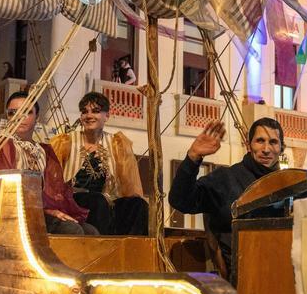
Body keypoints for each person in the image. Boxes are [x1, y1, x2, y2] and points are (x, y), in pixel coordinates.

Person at [168, 117, 286, 279]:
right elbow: (180, 200)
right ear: (248, 144)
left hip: (282, 276)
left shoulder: (288, 185)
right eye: (260, 141)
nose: (266, 149)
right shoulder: (225, 179)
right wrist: (193, 157)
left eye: (273, 142)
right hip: (238, 281)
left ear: (281, 148)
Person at [0, 90, 98, 236]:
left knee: (91, 231)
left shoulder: (44, 151)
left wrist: (53, 209)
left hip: (42, 210)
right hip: (14, 210)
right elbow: (1, 190)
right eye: (12, 113)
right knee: (71, 230)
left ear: (37, 117)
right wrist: (45, 210)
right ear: (7, 116)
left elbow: (55, 190)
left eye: (27, 112)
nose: (19, 117)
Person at [51, 92, 147, 236]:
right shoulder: (66, 141)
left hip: (107, 201)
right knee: (97, 200)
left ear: (106, 116)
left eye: (95, 111)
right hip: (73, 200)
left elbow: (130, 185)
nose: (89, 116)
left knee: (138, 205)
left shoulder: (117, 143)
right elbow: (52, 181)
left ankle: (130, 250)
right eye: (84, 112)